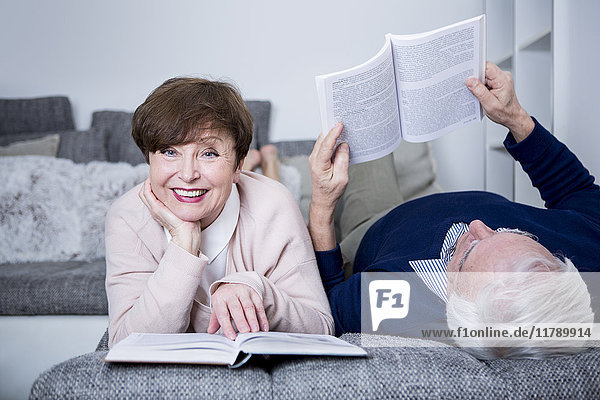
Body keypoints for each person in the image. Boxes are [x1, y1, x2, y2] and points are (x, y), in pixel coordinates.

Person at [308, 62, 599, 358]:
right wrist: (515, 117)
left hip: (379, 225)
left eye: (467, 255)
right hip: (440, 202)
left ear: (454, 304)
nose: (475, 225)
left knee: (359, 135)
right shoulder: (589, 256)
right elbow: (577, 191)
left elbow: (326, 307)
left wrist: (322, 205)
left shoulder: (394, 306)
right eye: (516, 233)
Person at [105, 77, 333, 347]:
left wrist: (255, 289)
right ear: (149, 159)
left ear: (238, 166)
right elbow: (126, 344)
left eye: (209, 153)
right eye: (169, 152)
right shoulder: (127, 217)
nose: (188, 174)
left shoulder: (274, 205)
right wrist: (183, 245)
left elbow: (321, 327)